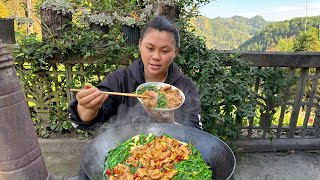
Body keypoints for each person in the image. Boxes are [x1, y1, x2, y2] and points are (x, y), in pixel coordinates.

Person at [68, 16, 201, 130]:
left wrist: (170, 124)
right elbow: (87, 119)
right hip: (127, 153)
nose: (156, 56)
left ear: (175, 52)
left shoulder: (185, 88)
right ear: (140, 45)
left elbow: (197, 134)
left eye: (164, 51)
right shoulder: (120, 79)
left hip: (172, 156)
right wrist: (87, 107)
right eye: (150, 48)